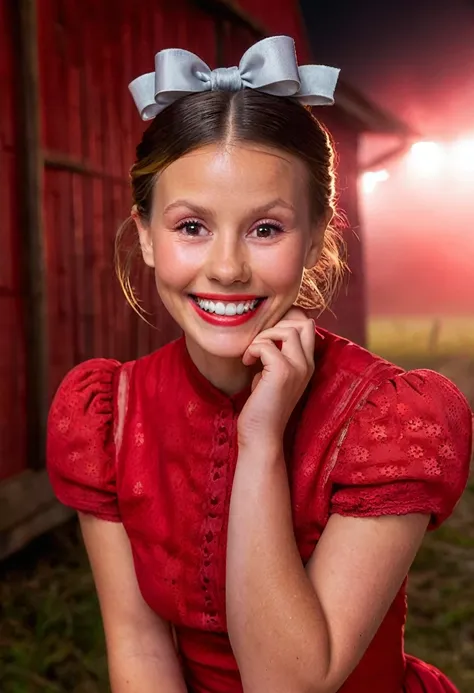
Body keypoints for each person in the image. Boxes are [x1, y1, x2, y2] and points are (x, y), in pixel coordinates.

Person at [47, 36, 472, 693]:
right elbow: (138, 646)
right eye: (191, 227)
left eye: (265, 229)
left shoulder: (388, 420)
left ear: (317, 235)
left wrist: (260, 438)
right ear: (145, 237)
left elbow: (289, 680)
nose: (226, 268)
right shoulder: (109, 414)